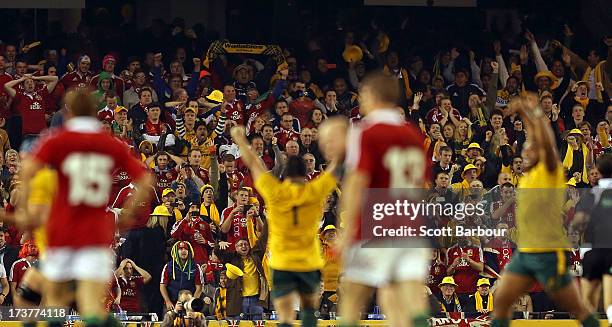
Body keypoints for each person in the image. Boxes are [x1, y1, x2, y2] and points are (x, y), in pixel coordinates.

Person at [20, 88, 153, 327]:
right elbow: (145, 179)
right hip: (95, 234)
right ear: (94, 112)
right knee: (93, 307)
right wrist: (129, 214)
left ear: (68, 113)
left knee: (53, 302)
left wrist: (27, 210)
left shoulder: (56, 139)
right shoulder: (111, 144)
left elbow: (28, 169)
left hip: (63, 230)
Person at [491, 94, 600, 327]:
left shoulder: (550, 170)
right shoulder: (527, 176)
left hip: (548, 254)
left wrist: (537, 114)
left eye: (530, 149)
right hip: (526, 251)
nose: (525, 151)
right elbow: (536, 139)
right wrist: (524, 114)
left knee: (579, 310)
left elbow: (546, 142)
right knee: (501, 301)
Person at [337, 72, 431, 327]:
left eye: (363, 94)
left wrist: (345, 230)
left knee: (353, 297)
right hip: (410, 226)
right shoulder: (413, 134)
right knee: (408, 298)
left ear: (373, 95)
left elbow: (356, 181)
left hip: (376, 223)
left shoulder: (365, 131)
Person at [230, 123, 339, 327]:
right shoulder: (314, 190)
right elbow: (336, 169)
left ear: (286, 174)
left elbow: (255, 164)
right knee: (308, 309)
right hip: (309, 259)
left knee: (286, 314)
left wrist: (240, 140)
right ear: (306, 174)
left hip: (282, 260)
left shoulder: (275, 191)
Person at [570, 154, 612, 324]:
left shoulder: (592, 194)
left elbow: (578, 221)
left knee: (587, 303)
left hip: (593, 252)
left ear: (599, 172)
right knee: (610, 301)